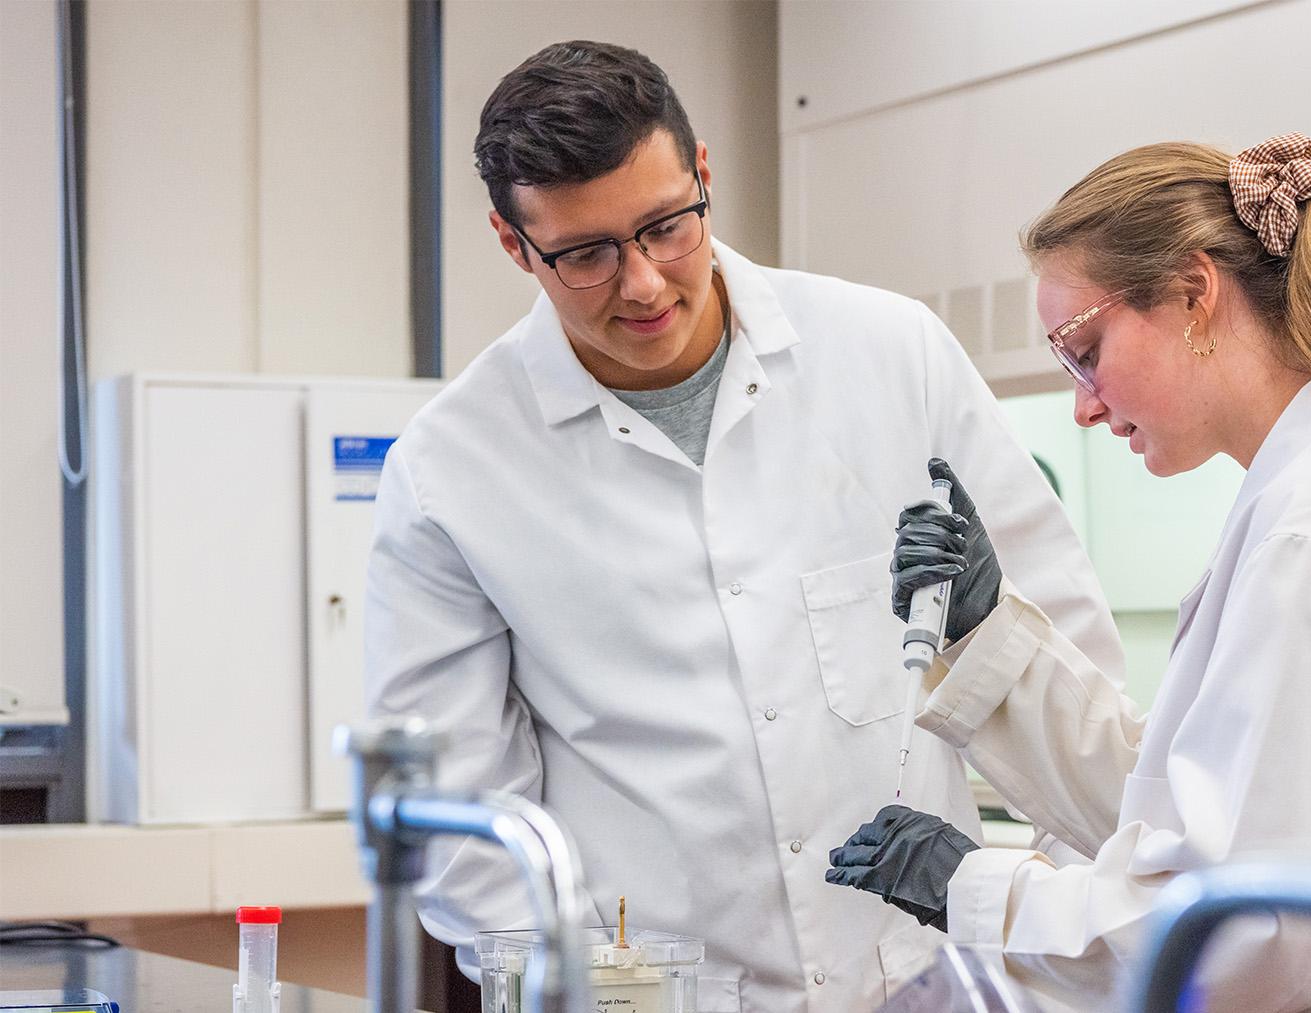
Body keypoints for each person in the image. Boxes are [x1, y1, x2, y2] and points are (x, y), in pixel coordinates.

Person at [362, 41, 1124, 1012]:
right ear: (516, 246)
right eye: (587, 253)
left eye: (666, 227)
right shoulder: (453, 468)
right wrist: (603, 987)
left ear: (703, 177)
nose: (641, 282)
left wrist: (1048, 947)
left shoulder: (890, 354)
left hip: (924, 983)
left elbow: (1069, 648)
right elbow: (460, 815)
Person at [826, 134, 1311, 1011]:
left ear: (1194, 292)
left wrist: (974, 886)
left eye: (1085, 350)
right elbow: (1187, 809)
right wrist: (989, 629)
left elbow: (1248, 931)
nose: (1083, 404)